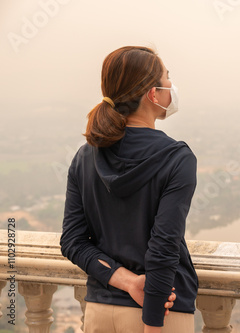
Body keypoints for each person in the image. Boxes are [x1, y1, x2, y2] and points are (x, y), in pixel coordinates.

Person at [60, 46, 199, 333]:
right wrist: (152, 324)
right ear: (153, 93)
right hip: (162, 313)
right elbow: (163, 247)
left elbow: (73, 241)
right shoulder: (177, 158)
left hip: (100, 311)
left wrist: (126, 280)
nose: (171, 86)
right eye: (167, 78)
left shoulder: (85, 156)